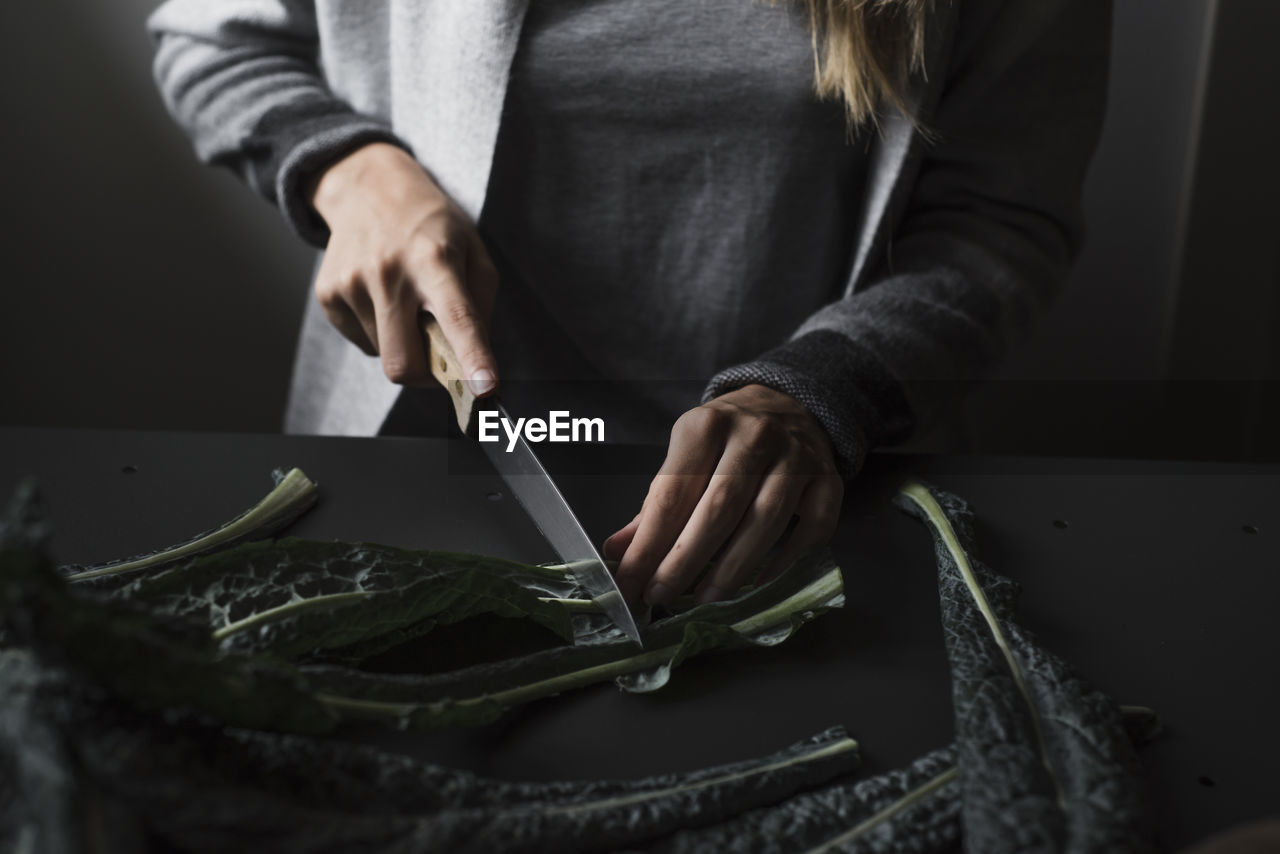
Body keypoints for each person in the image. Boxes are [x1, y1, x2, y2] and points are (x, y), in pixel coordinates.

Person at [148, 0, 1110, 608]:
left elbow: (1000, 220)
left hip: (804, 523)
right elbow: (210, 40)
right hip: (410, 475)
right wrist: (354, 171)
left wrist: (821, 394)